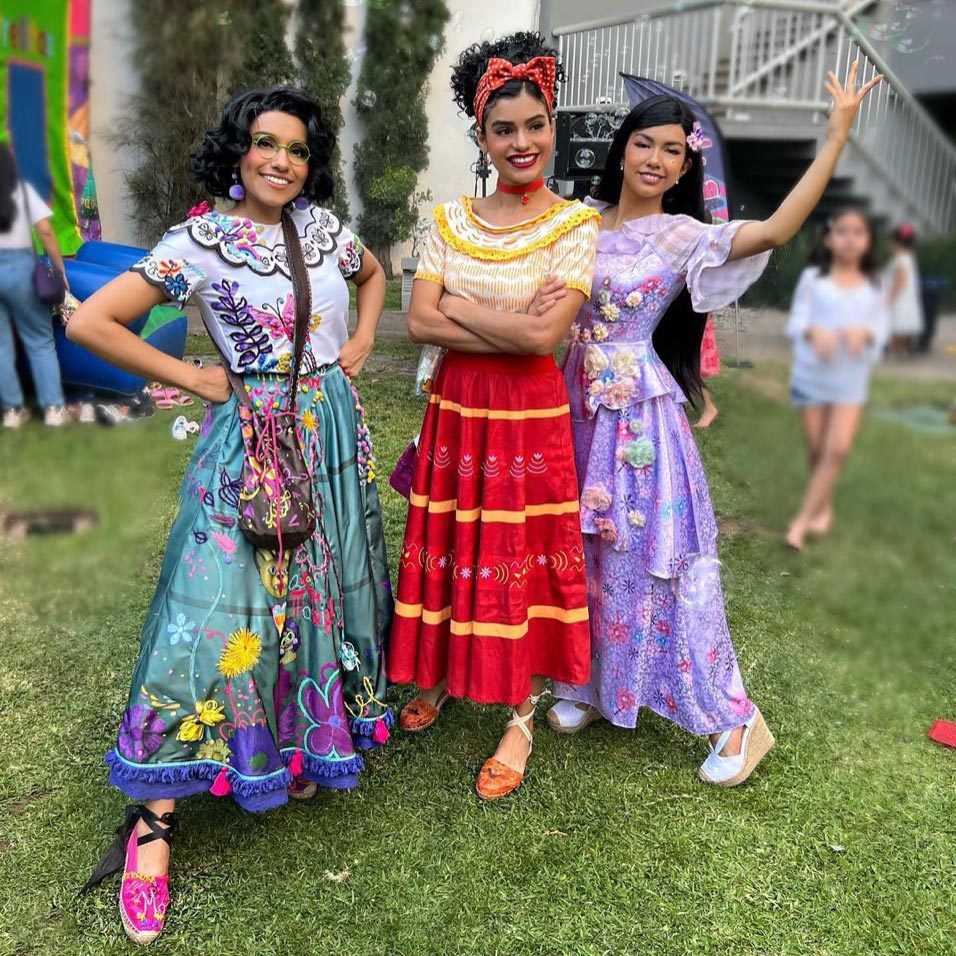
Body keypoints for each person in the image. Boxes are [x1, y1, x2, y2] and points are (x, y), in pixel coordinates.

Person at [69, 86, 392, 943]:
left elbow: (373, 275)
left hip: (328, 438)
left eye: (296, 148)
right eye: (264, 143)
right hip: (246, 447)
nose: (280, 160)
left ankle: (291, 744)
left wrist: (360, 341)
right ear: (238, 151)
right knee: (209, 615)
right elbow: (94, 322)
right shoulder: (200, 243)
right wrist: (198, 378)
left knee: (318, 601)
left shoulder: (326, 231)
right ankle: (154, 824)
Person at [546, 62, 882, 787]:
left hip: (640, 424)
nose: (656, 159)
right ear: (623, 147)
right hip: (575, 410)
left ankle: (736, 720)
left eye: (674, 150)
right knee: (589, 555)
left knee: (655, 560)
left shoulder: (683, 238)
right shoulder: (572, 221)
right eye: (646, 143)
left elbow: (778, 229)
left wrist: (835, 136)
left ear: (683, 165)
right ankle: (601, 686)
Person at [388, 32, 600, 802]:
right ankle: (443, 674)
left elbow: (546, 340)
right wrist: (496, 320)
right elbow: (417, 323)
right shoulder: (446, 219)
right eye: (503, 128)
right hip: (457, 410)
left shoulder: (576, 225)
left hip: (529, 416)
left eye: (535, 124)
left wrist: (461, 306)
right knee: (452, 540)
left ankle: (520, 711)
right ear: (481, 135)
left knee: (516, 549)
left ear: (553, 126)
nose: (522, 141)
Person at [785, 209, 887, 551]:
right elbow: (796, 323)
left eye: (858, 232)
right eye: (842, 231)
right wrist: (815, 331)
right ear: (829, 239)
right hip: (811, 376)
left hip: (849, 381)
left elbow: (881, 332)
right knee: (817, 449)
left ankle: (800, 523)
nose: (849, 238)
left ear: (868, 241)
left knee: (837, 449)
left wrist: (865, 334)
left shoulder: (874, 287)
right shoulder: (814, 281)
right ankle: (822, 507)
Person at [0, 143, 70, 428]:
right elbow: (45, 232)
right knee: (40, 341)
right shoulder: (22, 191)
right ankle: (53, 409)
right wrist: (59, 270)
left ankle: (12, 412)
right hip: (20, 269)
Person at [885, 223, 922, 356]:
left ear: (897, 243)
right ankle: (902, 349)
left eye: (890, 241)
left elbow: (900, 282)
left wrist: (890, 297)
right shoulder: (908, 257)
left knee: (897, 323)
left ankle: (897, 349)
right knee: (903, 323)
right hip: (907, 297)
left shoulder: (900, 259)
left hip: (899, 298)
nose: (889, 245)